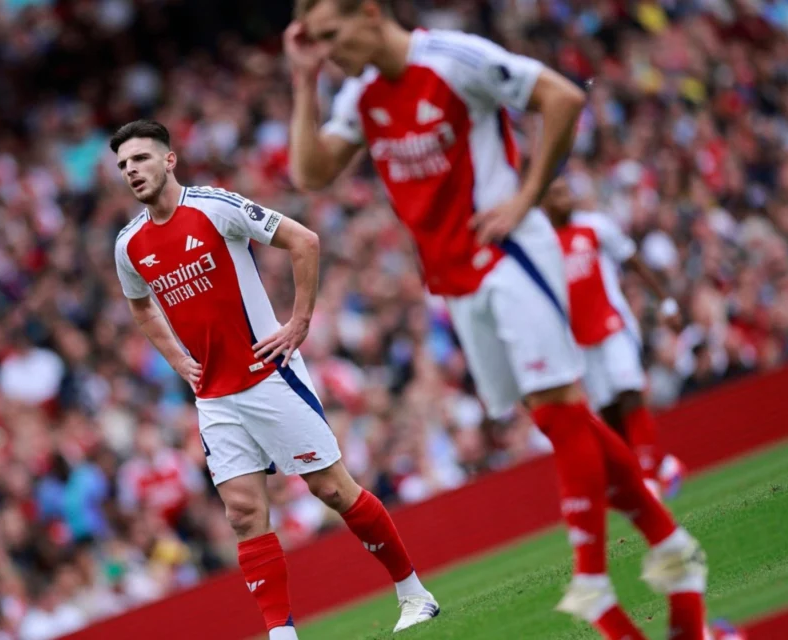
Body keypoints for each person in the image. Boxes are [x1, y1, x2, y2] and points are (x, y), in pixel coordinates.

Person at [284, 2, 708, 638]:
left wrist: (525, 197)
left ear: (369, 14)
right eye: (315, 41)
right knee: (554, 416)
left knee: (561, 409)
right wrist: (301, 81)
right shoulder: (361, 94)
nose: (328, 51)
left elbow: (561, 97)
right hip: (454, 279)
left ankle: (593, 580)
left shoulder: (453, 59)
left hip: (509, 255)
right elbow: (311, 173)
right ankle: (672, 548)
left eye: (332, 35)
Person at [110, 120, 438, 638]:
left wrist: (299, 322)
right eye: (124, 165)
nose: (132, 171)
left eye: (141, 159)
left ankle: (414, 592)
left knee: (330, 490)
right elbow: (140, 307)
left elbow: (303, 241)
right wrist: (177, 360)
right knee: (242, 514)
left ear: (169, 160)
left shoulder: (214, 208)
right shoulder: (129, 245)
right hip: (213, 395)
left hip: (268, 375)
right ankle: (281, 634)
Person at [543, 178, 687, 499]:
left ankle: (648, 480)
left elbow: (632, 259)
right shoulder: (544, 245)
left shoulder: (594, 227)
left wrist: (665, 301)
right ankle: (660, 466)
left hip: (614, 326)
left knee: (630, 395)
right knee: (610, 415)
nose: (566, 198)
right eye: (557, 194)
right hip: (580, 341)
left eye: (567, 191)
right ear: (544, 204)